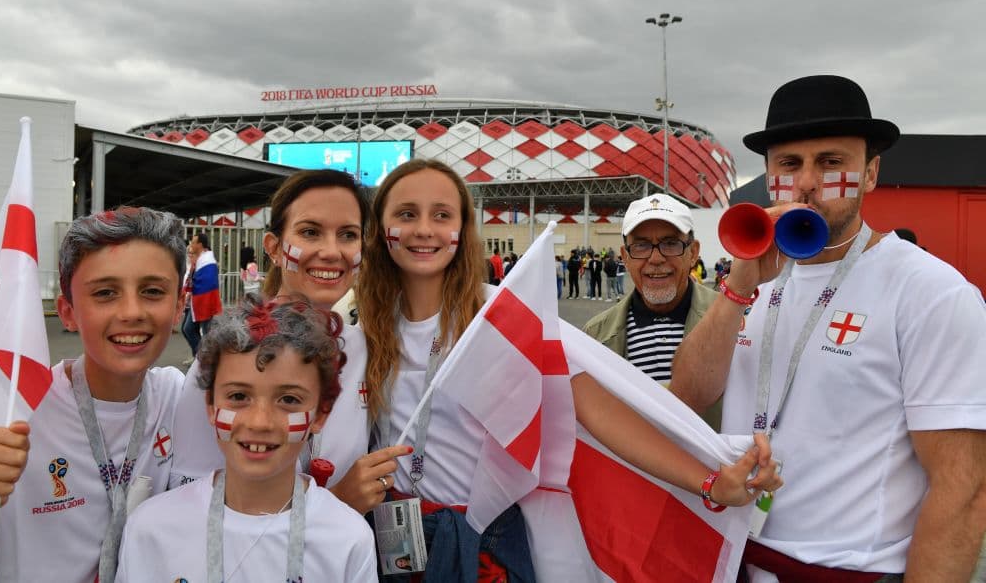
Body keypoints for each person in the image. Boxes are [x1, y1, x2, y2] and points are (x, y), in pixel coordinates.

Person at [353, 159, 781, 579]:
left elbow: (600, 411)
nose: (424, 229)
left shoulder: (502, 319)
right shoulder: (365, 331)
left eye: (442, 214)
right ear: (379, 229)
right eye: (406, 214)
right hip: (392, 536)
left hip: (481, 542)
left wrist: (708, 483)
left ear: (463, 231)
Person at [670, 75, 986, 581]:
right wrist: (738, 287)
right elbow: (688, 393)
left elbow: (962, 489)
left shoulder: (930, 292)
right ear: (770, 174)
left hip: (846, 570)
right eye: (789, 165)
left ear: (870, 173)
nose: (808, 182)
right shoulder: (755, 280)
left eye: (832, 162)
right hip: (732, 557)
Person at [0, 207, 188, 583]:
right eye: (105, 293)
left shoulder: (179, 398)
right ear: (66, 312)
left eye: (152, 291)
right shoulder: (9, 411)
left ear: (179, 306)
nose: (132, 312)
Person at [170, 169, 407, 509]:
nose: (331, 251)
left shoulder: (362, 349)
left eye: (348, 235)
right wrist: (334, 505)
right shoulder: (227, 351)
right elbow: (189, 496)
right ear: (275, 248)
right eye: (310, 232)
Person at [116, 296, 377, 581]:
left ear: (320, 415)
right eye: (239, 396)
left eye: (289, 399)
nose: (259, 422)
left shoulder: (349, 540)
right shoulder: (152, 529)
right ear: (211, 407)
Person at [583, 194, 722, 428]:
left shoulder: (737, 322)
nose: (655, 258)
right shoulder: (595, 336)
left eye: (670, 243)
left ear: (693, 253)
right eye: (641, 245)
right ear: (625, 257)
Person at [187, 231, 222, 343]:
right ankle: (201, 356)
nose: (191, 244)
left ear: (200, 245)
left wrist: (189, 286)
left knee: (205, 332)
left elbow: (209, 283)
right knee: (190, 329)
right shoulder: (200, 259)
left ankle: (205, 357)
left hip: (205, 302)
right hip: (197, 301)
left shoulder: (208, 261)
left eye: (193, 242)